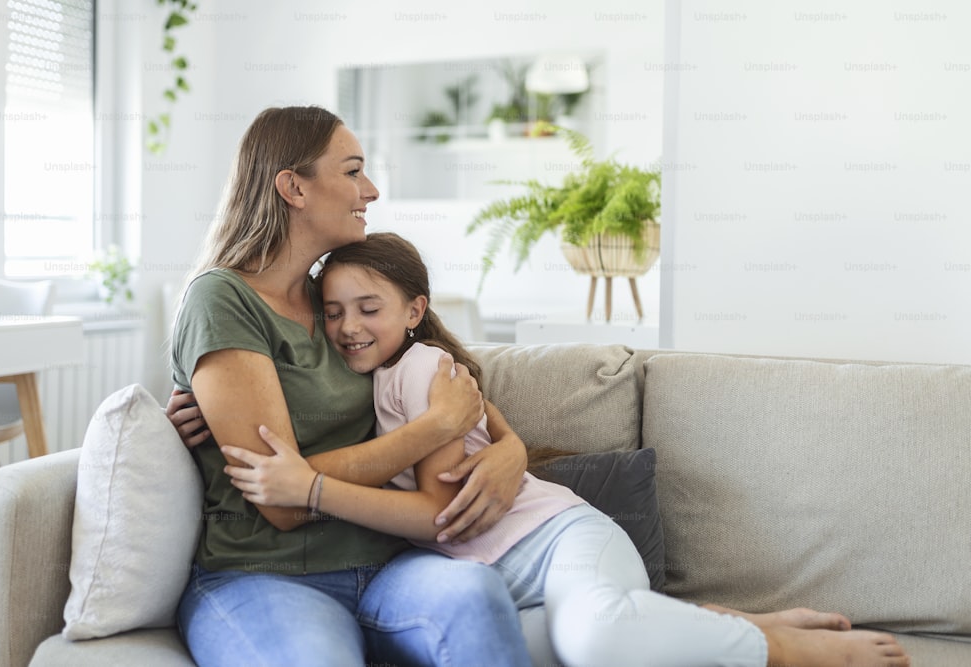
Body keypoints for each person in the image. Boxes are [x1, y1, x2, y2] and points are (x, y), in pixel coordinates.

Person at [178, 231, 910, 667]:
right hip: (501, 575)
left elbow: (439, 511)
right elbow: (270, 390)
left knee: (593, 636)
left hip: (556, 542)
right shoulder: (357, 373)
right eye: (333, 313)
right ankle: (731, 618)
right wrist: (210, 419)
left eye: (369, 309)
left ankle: (789, 651)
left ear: (415, 310)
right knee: (566, 641)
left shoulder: (427, 371)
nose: (347, 327)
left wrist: (307, 488)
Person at [169, 105, 534, 667]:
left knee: (476, 597)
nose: (372, 190)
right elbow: (281, 500)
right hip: (265, 575)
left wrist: (511, 449)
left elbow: (448, 384)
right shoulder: (222, 300)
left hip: (390, 564)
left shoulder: (337, 302)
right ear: (293, 187)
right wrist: (435, 428)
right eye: (352, 171)